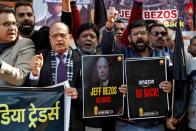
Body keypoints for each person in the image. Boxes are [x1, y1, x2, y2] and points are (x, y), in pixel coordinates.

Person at [24, 21, 84, 131]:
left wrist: (79, 93)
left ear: (70, 37)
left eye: (62, 35)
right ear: (50, 39)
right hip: (46, 121)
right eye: (55, 36)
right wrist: (34, 73)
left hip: (73, 121)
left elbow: (91, 90)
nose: (59, 39)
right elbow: (29, 88)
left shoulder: (82, 59)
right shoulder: (39, 57)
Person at [116, 19, 172, 131]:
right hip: (128, 123)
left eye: (143, 33)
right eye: (135, 34)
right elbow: (108, 81)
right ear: (129, 38)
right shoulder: (121, 55)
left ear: (148, 36)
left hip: (156, 123)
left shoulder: (163, 56)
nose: (139, 37)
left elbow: (175, 82)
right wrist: (118, 88)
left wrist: (171, 86)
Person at [166, 36, 196, 130]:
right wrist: (179, 117)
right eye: (195, 45)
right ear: (188, 47)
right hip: (193, 122)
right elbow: (186, 91)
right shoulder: (191, 63)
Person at [0, 7, 35, 86]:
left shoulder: (25, 44)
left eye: (14, 23)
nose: (12, 28)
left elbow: (21, 78)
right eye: (6, 24)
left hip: (7, 97)